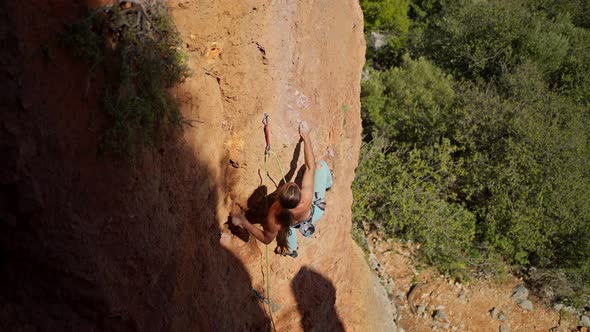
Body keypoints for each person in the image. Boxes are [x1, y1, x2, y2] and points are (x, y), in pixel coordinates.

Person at [231, 122, 333, 257]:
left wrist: (244, 222)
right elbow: (310, 167)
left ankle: (292, 248)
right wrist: (306, 136)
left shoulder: (275, 218)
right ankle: (328, 183)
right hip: (314, 213)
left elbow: (266, 239)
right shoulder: (306, 199)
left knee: (288, 227)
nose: (293, 182)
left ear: (279, 195)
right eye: (295, 185)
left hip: (291, 224)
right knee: (321, 166)